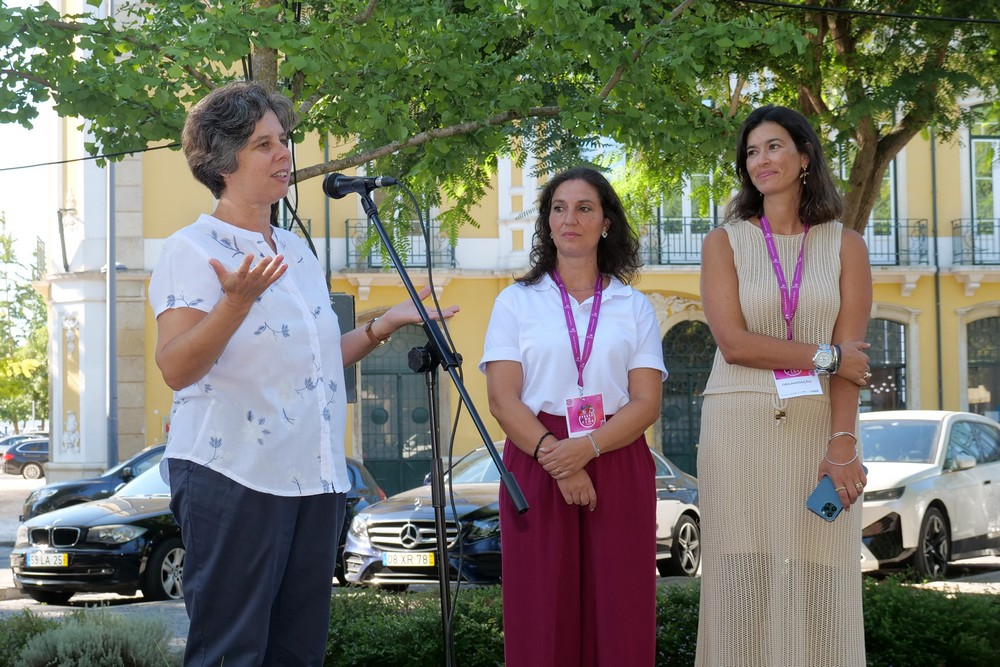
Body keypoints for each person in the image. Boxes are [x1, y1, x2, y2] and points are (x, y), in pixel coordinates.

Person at [148, 80, 458, 666]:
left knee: (299, 653)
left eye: (284, 140)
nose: (284, 154)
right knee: (231, 652)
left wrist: (381, 326)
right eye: (264, 144)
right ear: (221, 160)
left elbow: (313, 363)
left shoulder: (295, 250)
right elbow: (175, 368)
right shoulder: (191, 249)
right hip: (233, 475)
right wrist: (234, 304)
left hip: (312, 479)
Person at [696, 104, 872, 666]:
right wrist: (827, 356)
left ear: (804, 156)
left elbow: (855, 362)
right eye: (751, 151)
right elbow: (735, 343)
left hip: (818, 432)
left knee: (822, 574)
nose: (761, 160)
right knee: (741, 576)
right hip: (739, 430)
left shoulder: (846, 245)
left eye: (773, 146)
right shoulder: (723, 243)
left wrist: (842, 446)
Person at [480, 167, 667, 666]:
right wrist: (557, 458)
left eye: (585, 208)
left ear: (606, 222)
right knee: (542, 609)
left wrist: (585, 449)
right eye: (559, 208)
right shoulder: (515, 302)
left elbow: (646, 402)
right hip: (536, 456)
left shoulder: (634, 306)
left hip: (617, 452)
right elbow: (503, 399)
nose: (571, 219)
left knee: (620, 608)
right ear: (547, 222)